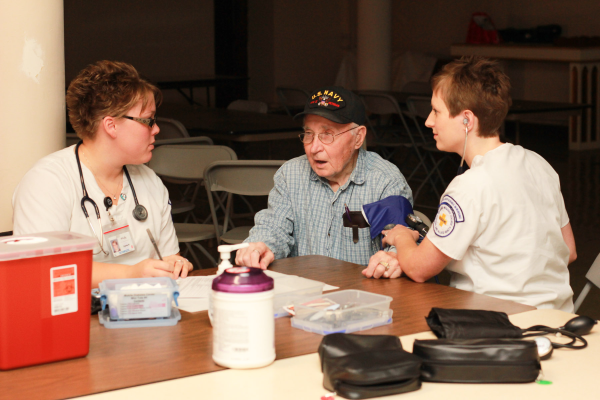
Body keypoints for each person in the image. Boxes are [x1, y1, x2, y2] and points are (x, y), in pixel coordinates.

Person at [363, 56, 576, 312]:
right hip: (559, 321)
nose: (428, 121)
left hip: (498, 327)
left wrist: (402, 237)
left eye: (436, 111)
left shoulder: (469, 186)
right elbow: (569, 251)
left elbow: (419, 269)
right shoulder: (538, 164)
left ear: (467, 120)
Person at [12, 60, 192, 287]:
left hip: (147, 309)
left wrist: (175, 264)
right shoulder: (47, 183)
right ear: (111, 126)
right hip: (75, 314)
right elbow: (46, 269)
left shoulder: (149, 182)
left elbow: (168, 256)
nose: (156, 129)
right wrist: (132, 274)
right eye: (148, 120)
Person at [236, 86, 412, 268]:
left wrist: (393, 259)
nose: (314, 148)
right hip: (304, 291)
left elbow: (401, 243)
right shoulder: (290, 174)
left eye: (327, 135)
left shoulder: (385, 181)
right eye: (308, 134)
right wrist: (260, 245)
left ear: (358, 137)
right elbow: (274, 227)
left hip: (362, 293)